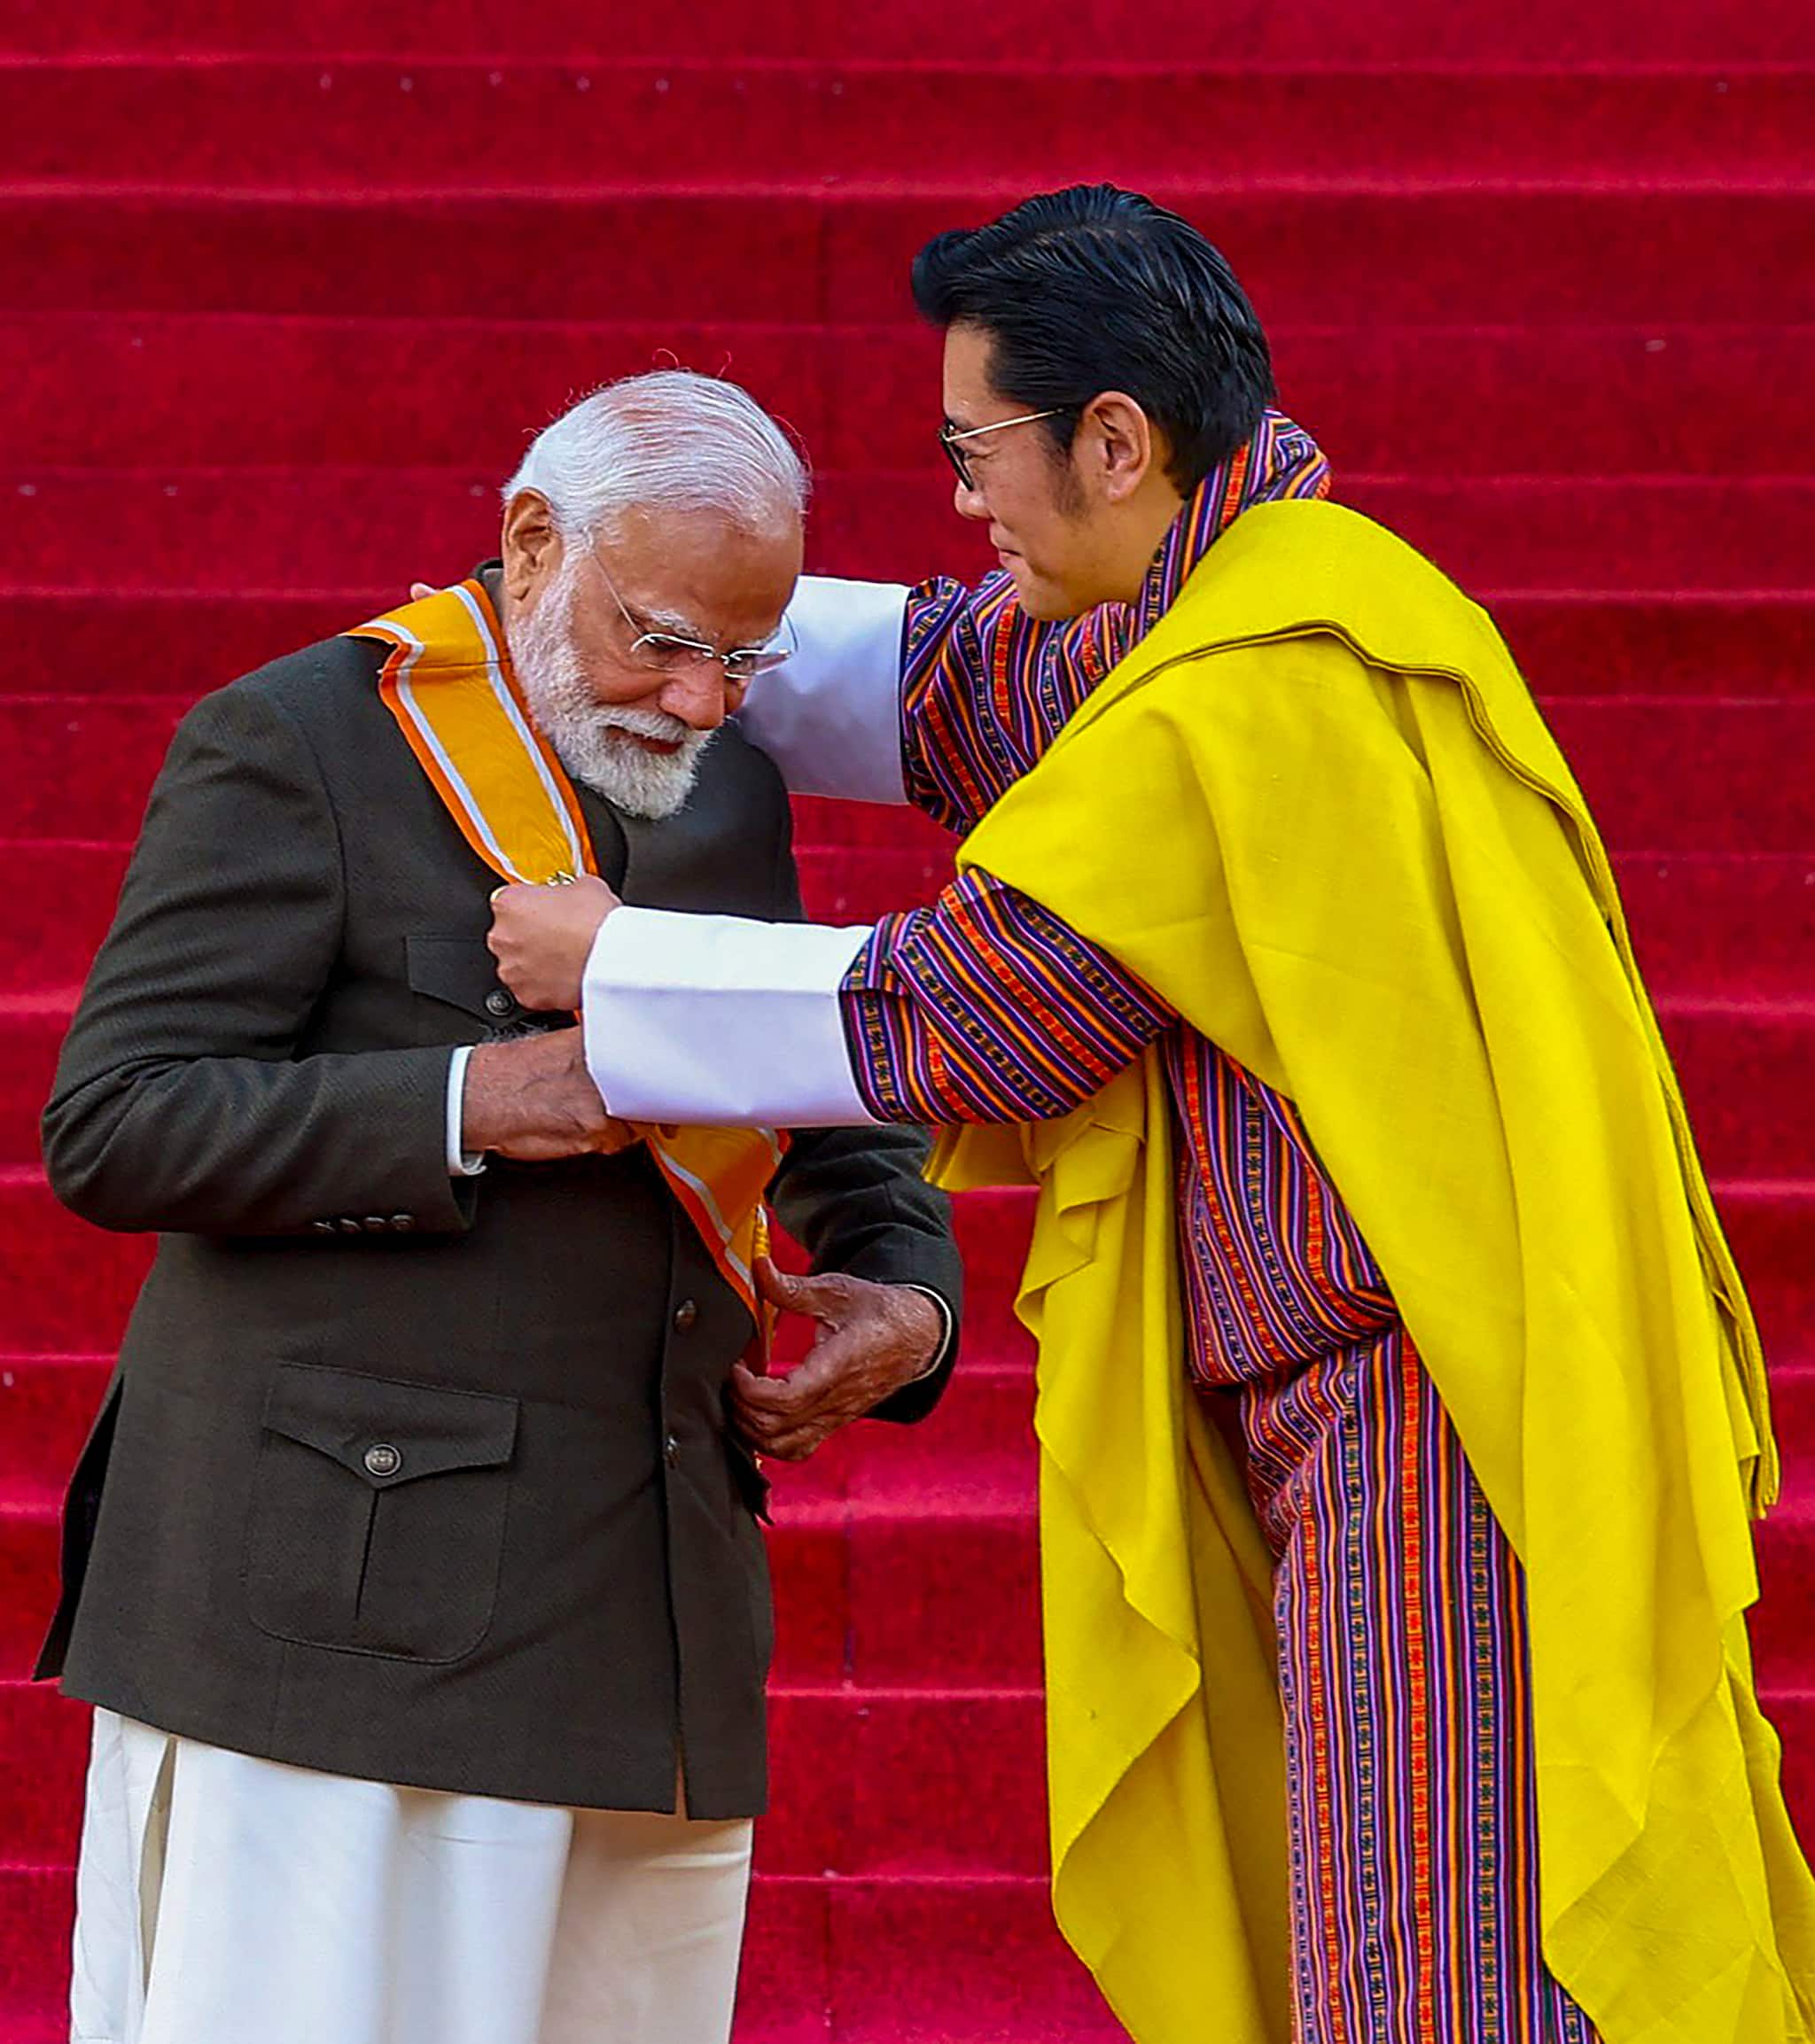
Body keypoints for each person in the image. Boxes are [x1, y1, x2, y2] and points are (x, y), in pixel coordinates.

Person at [486, 189, 1815, 2043]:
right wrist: (640, 608)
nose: (961, 507)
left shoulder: (1263, 682)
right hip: (1366, 1394)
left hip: (1431, 1416)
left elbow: (976, 1007)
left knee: (1441, 1956)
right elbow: (951, 685)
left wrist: (617, 963)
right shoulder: (1212, 595)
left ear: (1112, 439)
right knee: (1388, 1919)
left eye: (975, 456)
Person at [36, 370, 962, 2044]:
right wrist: (467, 1103)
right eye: (666, 638)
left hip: (645, 1603)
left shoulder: (723, 780)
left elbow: (803, 1063)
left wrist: (907, 1292)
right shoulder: (297, 740)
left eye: (746, 659)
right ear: (533, 544)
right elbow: (116, 1123)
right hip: (333, 1619)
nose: (699, 700)